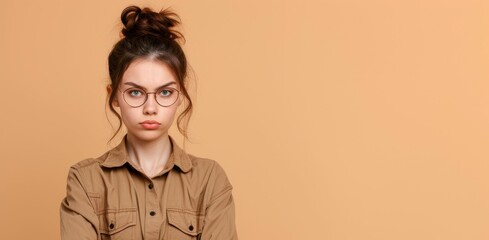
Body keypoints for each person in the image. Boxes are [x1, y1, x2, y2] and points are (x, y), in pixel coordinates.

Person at [60, 5, 238, 240]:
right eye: (135, 92)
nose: (150, 108)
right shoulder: (86, 180)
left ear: (180, 96)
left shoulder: (209, 180)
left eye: (165, 93)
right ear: (113, 97)